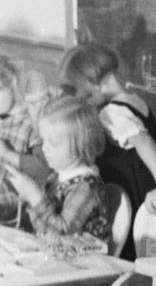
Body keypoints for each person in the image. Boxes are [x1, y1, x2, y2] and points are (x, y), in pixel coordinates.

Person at [59, 43, 156, 258]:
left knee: (130, 254)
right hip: (142, 196)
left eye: (84, 94)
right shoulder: (134, 102)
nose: (84, 100)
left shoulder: (112, 113)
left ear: (95, 85)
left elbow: (143, 141)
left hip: (134, 200)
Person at [1, 96, 109, 242]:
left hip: (84, 262)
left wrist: (35, 197)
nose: (45, 148)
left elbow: (63, 234)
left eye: (54, 143)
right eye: (44, 141)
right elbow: (42, 226)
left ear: (81, 145)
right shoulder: (56, 178)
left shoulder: (86, 187)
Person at [0, 56, 44, 224]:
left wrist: (8, 153)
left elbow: (45, 169)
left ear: (12, 81)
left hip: (14, 205)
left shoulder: (33, 122)